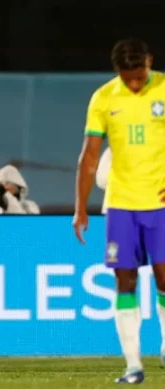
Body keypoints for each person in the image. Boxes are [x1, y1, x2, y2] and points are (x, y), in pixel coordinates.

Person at [73, 39, 165, 384]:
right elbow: (90, 157)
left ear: (149, 63)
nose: (135, 84)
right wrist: (80, 208)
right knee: (124, 282)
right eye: (129, 79)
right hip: (121, 206)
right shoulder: (104, 98)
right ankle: (133, 366)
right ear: (119, 72)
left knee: (164, 278)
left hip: (160, 205)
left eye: (140, 77)